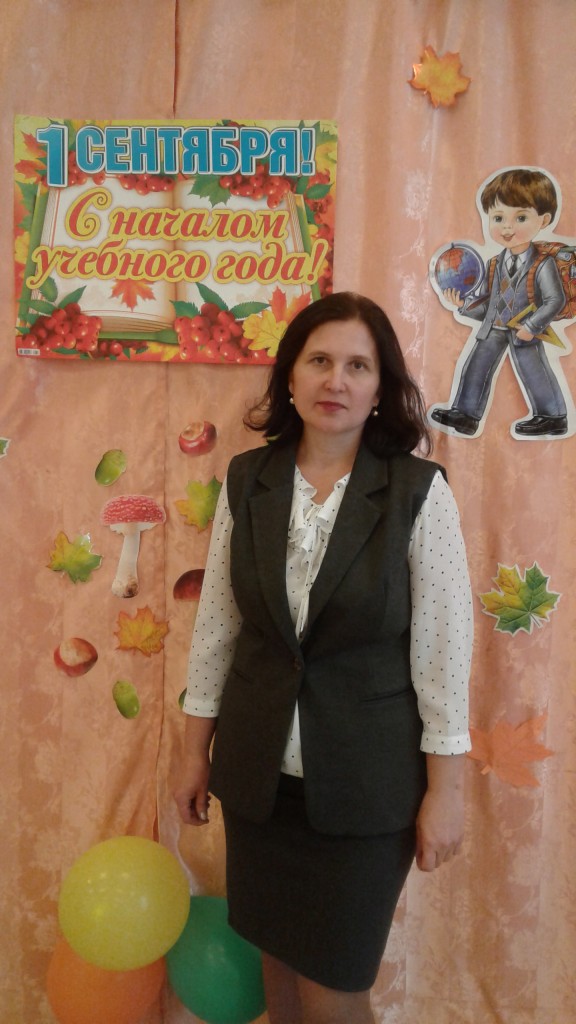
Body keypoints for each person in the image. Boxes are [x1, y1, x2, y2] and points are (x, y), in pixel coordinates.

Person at [175, 292, 473, 1024]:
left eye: (357, 366)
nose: (335, 380)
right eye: (319, 361)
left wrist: (447, 793)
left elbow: (442, 654)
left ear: (380, 388)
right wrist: (191, 754)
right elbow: (217, 628)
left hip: (364, 793)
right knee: (277, 973)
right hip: (259, 784)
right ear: (290, 376)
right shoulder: (247, 481)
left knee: (333, 993)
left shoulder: (417, 493)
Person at [430, 168, 569, 438]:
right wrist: (462, 305)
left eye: (520, 217)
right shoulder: (494, 263)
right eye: (498, 218)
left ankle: (552, 416)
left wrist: (532, 326)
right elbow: (488, 306)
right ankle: (466, 414)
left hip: (525, 328)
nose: (507, 227)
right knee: (477, 363)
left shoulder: (543, 264)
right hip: (495, 327)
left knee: (535, 369)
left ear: (544, 220)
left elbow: (555, 299)